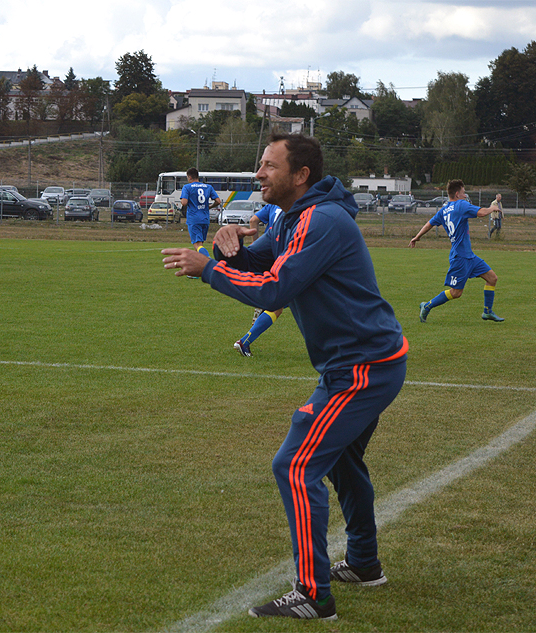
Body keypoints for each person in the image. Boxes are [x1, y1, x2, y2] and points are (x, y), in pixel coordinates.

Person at [162, 132, 407, 620]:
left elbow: (276, 289)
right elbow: (260, 260)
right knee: (341, 463)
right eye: (260, 164)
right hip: (369, 359)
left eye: (269, 166)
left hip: (362, 366)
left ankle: (314, 594)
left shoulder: (323, 220)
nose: (259, 174)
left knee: (295, 465)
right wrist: (228, 247)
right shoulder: (298, 216)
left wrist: (208, 269)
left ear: (301, 176)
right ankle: (363, 563)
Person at [410, 179, 504, 323]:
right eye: (463, 192)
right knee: (456, 293)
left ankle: (487, 312)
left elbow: (428, 224)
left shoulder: (444, 210)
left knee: (492, 278)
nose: (465, 195)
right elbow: (481, 213)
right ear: (457, 194)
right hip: (460, 257)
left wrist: (417, 237)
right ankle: (427, 305)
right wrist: (492, 208)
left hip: (469, 256)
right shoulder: (460, 205)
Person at [233, 203, 284, 357]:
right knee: (279, 305)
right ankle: (244, 341)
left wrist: (255, 242)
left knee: (280, 304)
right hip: (283, 257)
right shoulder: (300, 205)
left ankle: (261, 305)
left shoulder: (273, 205)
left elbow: (253, 220)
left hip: (266, 254)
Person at [179, 167, 221, 262]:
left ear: (189, 177)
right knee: (200, 244)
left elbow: (184, 203)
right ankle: (199, 271)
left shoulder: (187, 187)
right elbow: (218, 201)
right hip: (205, 219)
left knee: (197, 245)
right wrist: (209, 207)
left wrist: (183, 199)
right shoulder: (208, 187)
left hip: (194, 219)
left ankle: (209, 261)